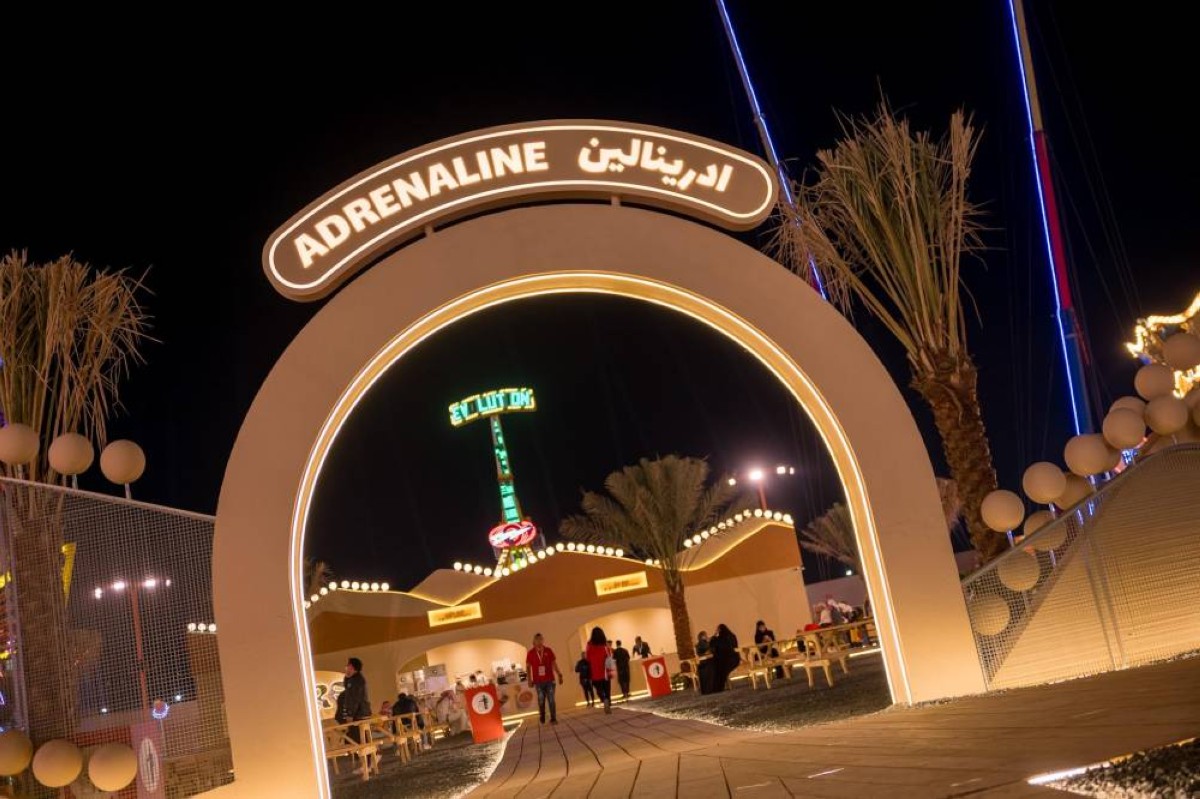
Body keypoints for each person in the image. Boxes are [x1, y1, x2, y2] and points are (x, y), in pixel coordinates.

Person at [526, 632, 564, 724]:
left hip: (550, 680)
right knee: (541, 699)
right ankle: (542, 715)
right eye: (537, 640)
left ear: (543, 640)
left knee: (551, 699)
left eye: (541, 639)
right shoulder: (530, 653)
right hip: (538, 682)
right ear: (534, 642)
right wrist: (529, 680)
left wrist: (559, 674)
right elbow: (528, 667)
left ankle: (553, 718)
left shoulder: (548, 650)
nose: (539, 641)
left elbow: (554, 664)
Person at [335, 657, 371, 742]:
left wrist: (350, 714)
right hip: (358, 713)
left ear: (352, 667)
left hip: (358, 714)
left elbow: (354, 699)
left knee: (357, 736)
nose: (346, 668)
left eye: (348, 666)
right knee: (356, 735)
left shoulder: (356, 681)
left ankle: (362, 749)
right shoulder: (353, 680)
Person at [702, 624, 740, 694]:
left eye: (717, 630)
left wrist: (714, 635)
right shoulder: (732, 636)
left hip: (726, 661)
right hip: (735, 659)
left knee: (715, 668)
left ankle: (715, 688)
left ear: (719, 630)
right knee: (718, 667)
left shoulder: (719, 639)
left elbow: (711, 644)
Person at [585, 626, 614, 713]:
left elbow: (587, 658)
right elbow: (609, 655)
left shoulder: (589, 645)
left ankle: (604, 698)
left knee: (598, 688)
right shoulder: (605, 644)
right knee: (607, 687)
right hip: (605, 670)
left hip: (594, 671)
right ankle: (608, 701)